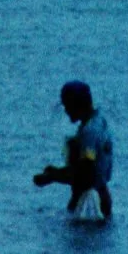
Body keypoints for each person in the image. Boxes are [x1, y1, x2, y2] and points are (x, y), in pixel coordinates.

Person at [33, 80, 113, 219]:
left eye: (68, 106)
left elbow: (85, 175)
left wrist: (53, 177)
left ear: (78, 105)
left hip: (90, 201)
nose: (66, 110)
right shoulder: (99, 122)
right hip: (101, 194)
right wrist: (57, 171)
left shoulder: (89, 132)